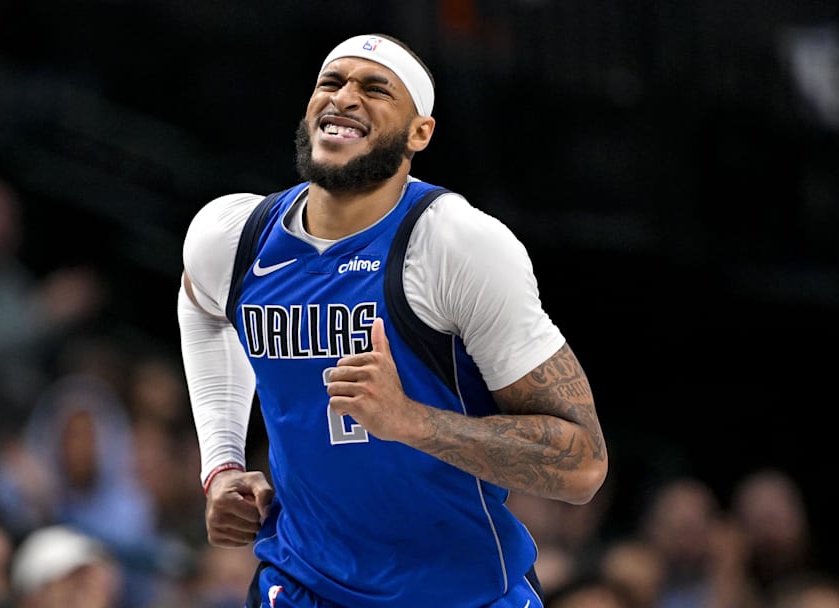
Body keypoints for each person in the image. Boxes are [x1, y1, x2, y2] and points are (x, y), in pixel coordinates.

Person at [177, 32, 609, 608]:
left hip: (460, 593)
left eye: (375, 88)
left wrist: (410, 421)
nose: (345, 96)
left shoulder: (457, 245)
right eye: (330, 82)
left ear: (420, 132)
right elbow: (200, 312)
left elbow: (582, 463)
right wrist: (223, 464)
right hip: (303, 581)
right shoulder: (232, 234)